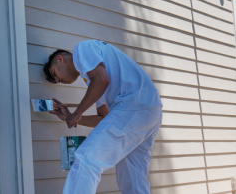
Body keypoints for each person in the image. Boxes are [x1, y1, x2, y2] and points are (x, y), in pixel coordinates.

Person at [44, 39, 162, 194]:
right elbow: (104, 119)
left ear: (60, 59)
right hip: (150, 110)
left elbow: (102, 80)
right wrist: (71, 117)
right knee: (133, 180)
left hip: (132, 105)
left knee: (87, 159)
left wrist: (77, 113)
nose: (58, 80)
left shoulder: (82, 49)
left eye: (55, 74)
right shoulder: (92, 79)